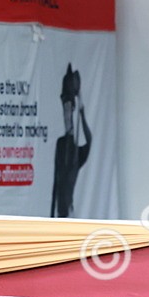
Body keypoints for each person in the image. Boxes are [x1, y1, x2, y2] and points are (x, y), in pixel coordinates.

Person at [51, 64, 92, 218]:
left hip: (67, 209)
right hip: (62, 209)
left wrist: (82, 114)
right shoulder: (62, 145)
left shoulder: (77, 155)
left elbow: (89, 140)